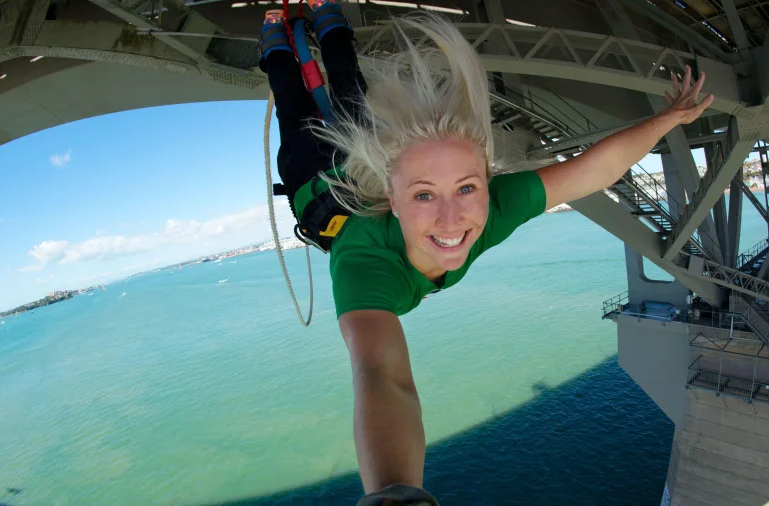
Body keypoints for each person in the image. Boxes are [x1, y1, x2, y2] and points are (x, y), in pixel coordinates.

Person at [258, 5, 714, 504]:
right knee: (297, 101)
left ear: (487, 184)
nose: (451, 219)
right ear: (393, 200)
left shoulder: (495, 207)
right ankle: (281, 34)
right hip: (312, 174)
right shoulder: (363, 266)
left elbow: (592, 171)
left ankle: (315, 21)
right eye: (424, 195)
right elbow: (382, 376)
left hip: (354, 167)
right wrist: (395, 497)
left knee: (343, 91)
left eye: (466, 187)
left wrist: (668, 119)